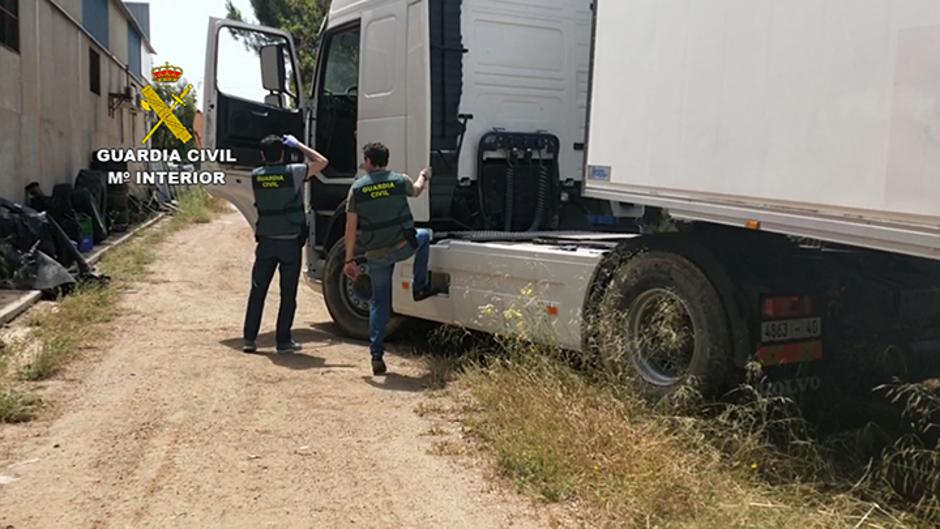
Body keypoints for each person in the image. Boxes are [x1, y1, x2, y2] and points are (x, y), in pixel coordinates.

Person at [343, 143, 442, 375]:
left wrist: (349, 260)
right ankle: (419, 286)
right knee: (425, 236)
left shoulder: (357, 189)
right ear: (386, 161)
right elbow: (417, 190)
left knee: (379, 302)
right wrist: (423, 175)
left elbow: (350, 228)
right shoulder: (399, 180)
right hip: (403, 246)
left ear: (368, 161)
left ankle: (376, 354)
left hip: (376, 255)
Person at [243, 134, 328, 354]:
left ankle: (250, 340)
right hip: (290, 243)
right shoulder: (294, 172)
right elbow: (322, 162)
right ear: (282, 153)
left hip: (266, 242)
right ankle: (283, 341)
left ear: (263, 155)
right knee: (287, 294)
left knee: (258, 291)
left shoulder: (256, 175)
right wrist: (298, 144)